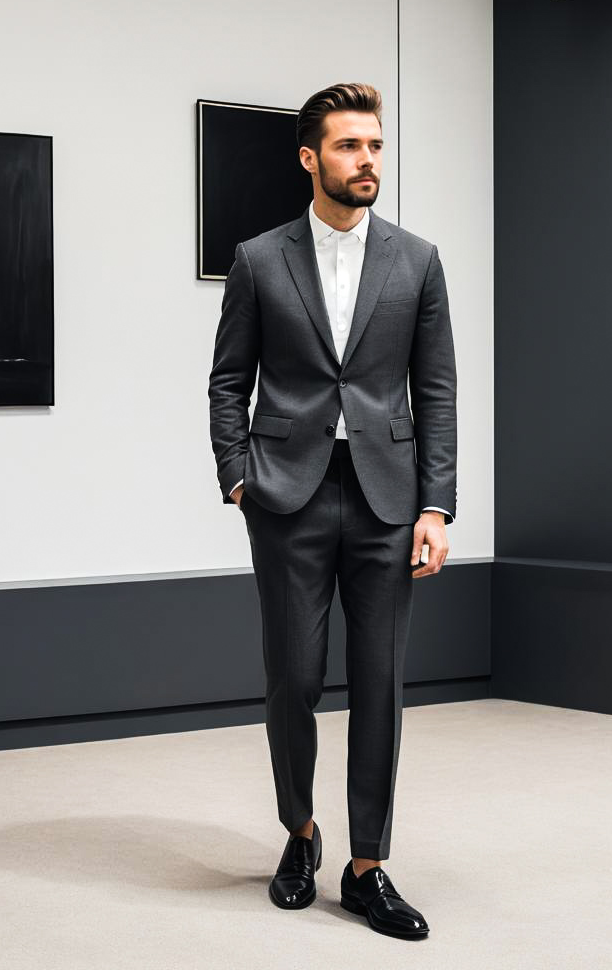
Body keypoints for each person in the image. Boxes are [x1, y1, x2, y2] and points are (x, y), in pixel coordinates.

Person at [208, 82, 457, 940]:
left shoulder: (417, 260)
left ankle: (367, 867)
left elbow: (436, 390)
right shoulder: (259, 259)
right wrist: (239, 477)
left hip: (389, 499)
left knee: (381, 684)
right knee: (295, 679)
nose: (368, 162)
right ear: (311, 158)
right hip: (288, 495)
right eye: (350, 147)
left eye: (377, 147)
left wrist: (437, 504)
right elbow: (228, 380)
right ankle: (300, 836)